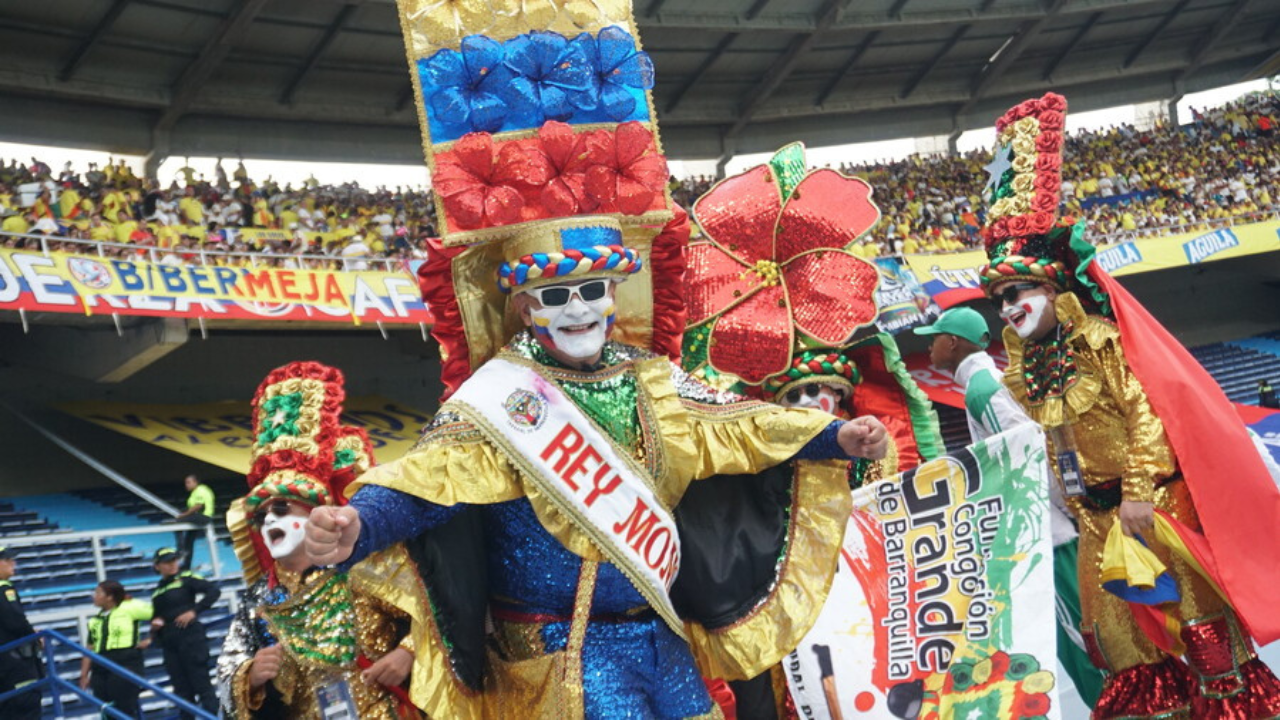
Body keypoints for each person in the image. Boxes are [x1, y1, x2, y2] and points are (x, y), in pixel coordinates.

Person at [302, 214, 889, 719]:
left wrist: (835, 437)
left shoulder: (649, 377)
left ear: (615, 296)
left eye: (594, 289)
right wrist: (361, 523)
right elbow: (428, 482)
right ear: (526, 307)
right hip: (562, 649)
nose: (577, 308)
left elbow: (738, 425)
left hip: (659, 633)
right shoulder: (499, 398)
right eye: (556, 295)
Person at [980, 92, 1280, 718]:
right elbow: (1056, 435)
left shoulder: (1099, 341)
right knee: (1117, 645)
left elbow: (1147, 413)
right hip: (1094, 517)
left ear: (1052, 287)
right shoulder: (1029, 365)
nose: (1008, 308)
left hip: (1153, 506)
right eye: (1000, 297)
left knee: (1197, 633)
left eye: (1018, 291)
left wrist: (1140, 491)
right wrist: (1071, 495)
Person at [913, 306, 1105, 707]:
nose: (929, 347)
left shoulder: (982, 389)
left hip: (1051, 538)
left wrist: (1069, 512)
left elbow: (1030, 457)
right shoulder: (984, 383)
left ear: (952, 342)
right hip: (1050, 532)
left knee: (1082, 647)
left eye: (933, 339)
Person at [216, 362, 425, 719]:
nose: (270, 521)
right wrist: (249, 676)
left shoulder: (363, 570)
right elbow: (228, 663)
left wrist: (407, 652)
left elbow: (436, 613)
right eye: (262, 516)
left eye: (282, 508)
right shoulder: (260, 598)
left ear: (316, 512)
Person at [150, 548, 220, 718]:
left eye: (174, 560)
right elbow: (158, 617)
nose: (173, 564)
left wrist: (194, 611)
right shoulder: (157, 590)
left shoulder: (187, 577)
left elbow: (213, 591)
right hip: (170, 644)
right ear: (157, 566)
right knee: (181, 690)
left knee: (201, 684)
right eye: (167, 562)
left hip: (191, 639)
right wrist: (154, 627)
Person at [81, 580, 152, 719]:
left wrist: (151, 638)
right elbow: (89, 648)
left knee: (124, 708)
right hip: (100, 665)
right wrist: (84, 674)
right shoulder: (95, 620)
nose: (93, 596)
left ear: (110, 596)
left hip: (125, 661)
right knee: (105, 709)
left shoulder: (130, 608)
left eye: (98, 593)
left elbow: (162, 614)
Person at [0, 547, 41, 720]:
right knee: (25, 704)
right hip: (13, 661)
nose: (13, 563)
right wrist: (34, 636)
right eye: (8, 560)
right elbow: (15, 620)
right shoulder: (4, 589)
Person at [173, 474, 214, 570]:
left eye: (188, 482)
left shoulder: (200, 490)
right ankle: (186, 565)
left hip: (203, 516)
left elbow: (198, 506)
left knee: (177, 522)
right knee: (189, 541)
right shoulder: (196, 491)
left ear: (195, 482)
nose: (186, 485)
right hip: (199, 517)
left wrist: (184, 515)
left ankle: (180, 549)